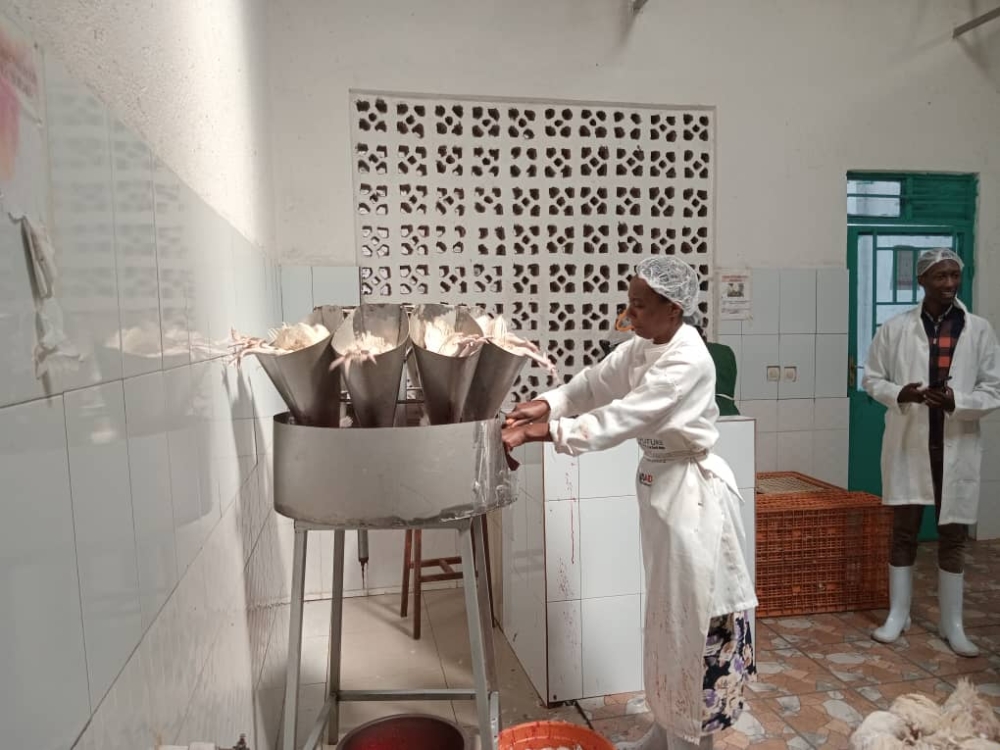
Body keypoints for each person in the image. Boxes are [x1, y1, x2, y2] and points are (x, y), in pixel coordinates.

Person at [501, 256, 758, 750]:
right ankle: (664, 730)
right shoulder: (646, 346)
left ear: (673, 307)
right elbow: (597, 383)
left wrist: (540, 432)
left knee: (693, 620)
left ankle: (690, 738)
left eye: (639, 306)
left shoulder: (688, 359)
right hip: (664, 495)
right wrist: (548, 403)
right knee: (666, 619)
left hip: (694, 502)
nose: (630, 315)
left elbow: (620, 417)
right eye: (630, 303)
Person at [863, 248, 1000, 657]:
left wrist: (958, 401)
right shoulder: (895, 328)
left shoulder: (979, 329)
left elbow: (993, 388)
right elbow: (872, 378)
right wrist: (898, 393)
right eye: (940, 276)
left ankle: (952, 625)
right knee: (904, 532)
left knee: (953, 536)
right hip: (911, 443)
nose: (949, 284)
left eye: (954, 275)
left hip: (956, 443)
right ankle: (897, 614)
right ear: (922, 281)